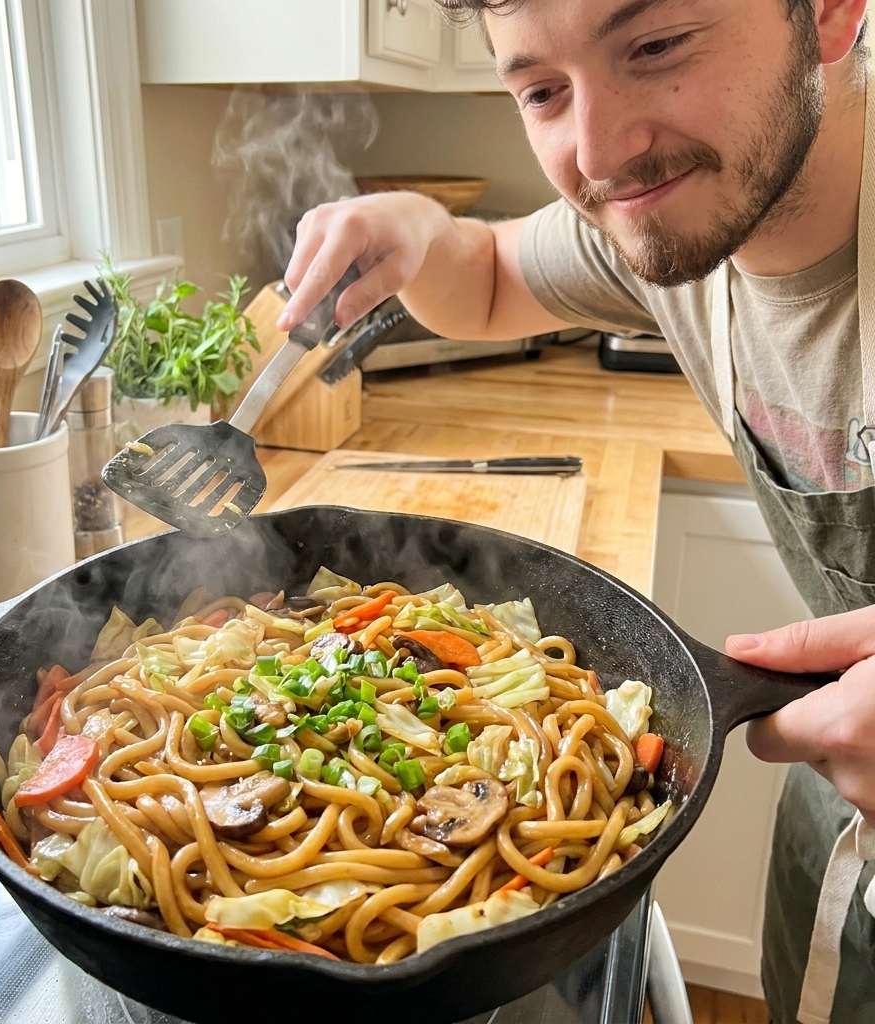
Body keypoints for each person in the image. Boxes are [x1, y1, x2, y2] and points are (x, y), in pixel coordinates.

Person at [274, 0, 875, 1021]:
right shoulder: (670, 218)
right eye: (541, 91)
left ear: (829, 11)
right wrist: (419, 228)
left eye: (654, 47)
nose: (599, 154)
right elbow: (493, 278)